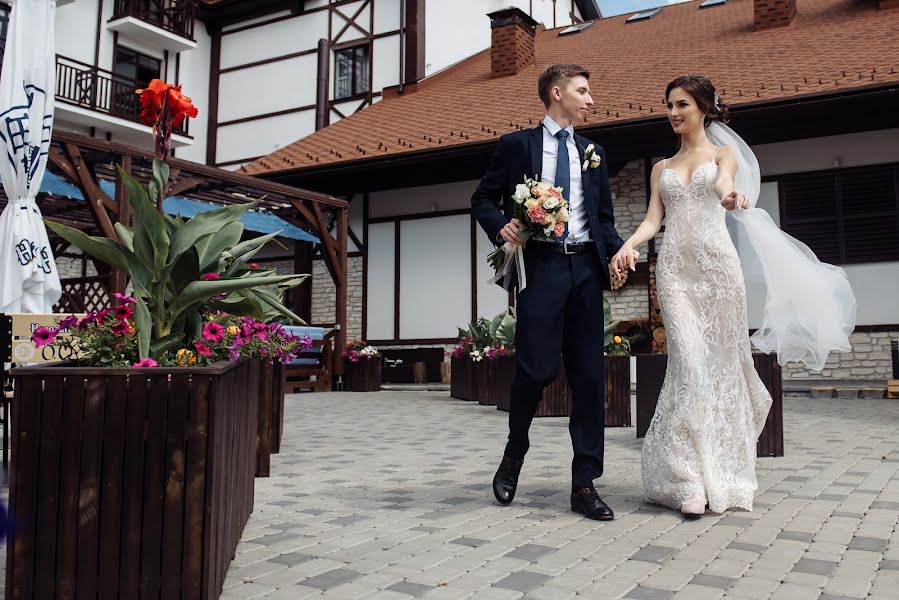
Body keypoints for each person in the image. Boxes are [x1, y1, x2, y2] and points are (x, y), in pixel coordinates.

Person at [612, 75, 854, 517]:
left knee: (721, 366)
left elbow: (724, 186)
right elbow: (652, 220)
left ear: (703, 107)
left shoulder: (724, 155)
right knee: (688, 364)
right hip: (676, 273)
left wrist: (731, 197)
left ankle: (716, 471)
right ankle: (684, 477)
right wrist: (629, 243)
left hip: (719, 271)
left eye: (681, 104)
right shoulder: (659, 168)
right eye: (668, 105)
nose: (673, 113)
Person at [471, 63, 634, 520]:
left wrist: (620, 252)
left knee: (588, 378)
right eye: (583, 91)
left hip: (585, 268)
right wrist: (498, 226)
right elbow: (482, 198)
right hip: (541, 267)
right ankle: (514, 451)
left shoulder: (594, 152)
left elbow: (603, 219)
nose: (590, 99)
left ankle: (585, 485)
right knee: (535, 371)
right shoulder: (516, 146)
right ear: (557, 93)